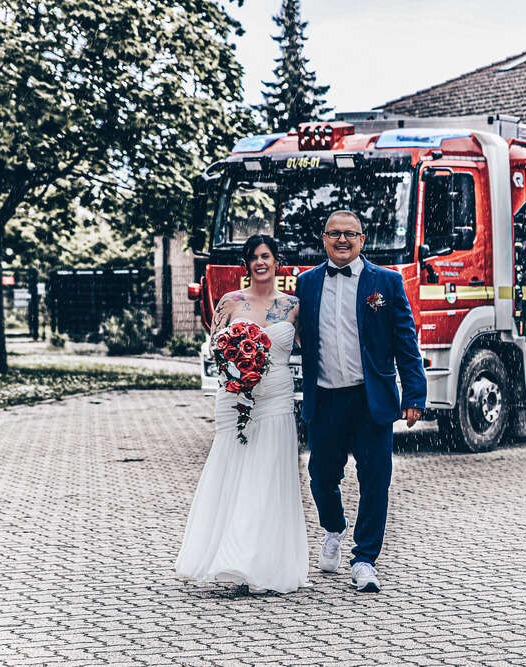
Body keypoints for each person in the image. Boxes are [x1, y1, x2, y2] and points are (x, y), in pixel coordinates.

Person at [295, 210, 426, 593]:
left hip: (371, 400)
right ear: (323, 239)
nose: (341, 240)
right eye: (334, 234)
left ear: (362, 239)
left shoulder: (386, 281)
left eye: (349, 234)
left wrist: (414, 393)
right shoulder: (307, 284)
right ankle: (333, 528)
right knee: (320, 476)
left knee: (375, 480)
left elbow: (405, 340)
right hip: (326, 398)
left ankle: (365, 559)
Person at [175, 234, 309, 594]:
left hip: (277, 400)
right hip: (235, 399)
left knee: (268, 479)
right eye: (253, 258)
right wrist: (236, 374)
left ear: (277, 261)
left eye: (266, 256)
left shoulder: (295, 306)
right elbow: (215, 348)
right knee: (233, 474)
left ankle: (262, 562)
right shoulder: (230, 301)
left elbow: (313, 349)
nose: (260, 263)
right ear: (246, 265)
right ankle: (230, 560)